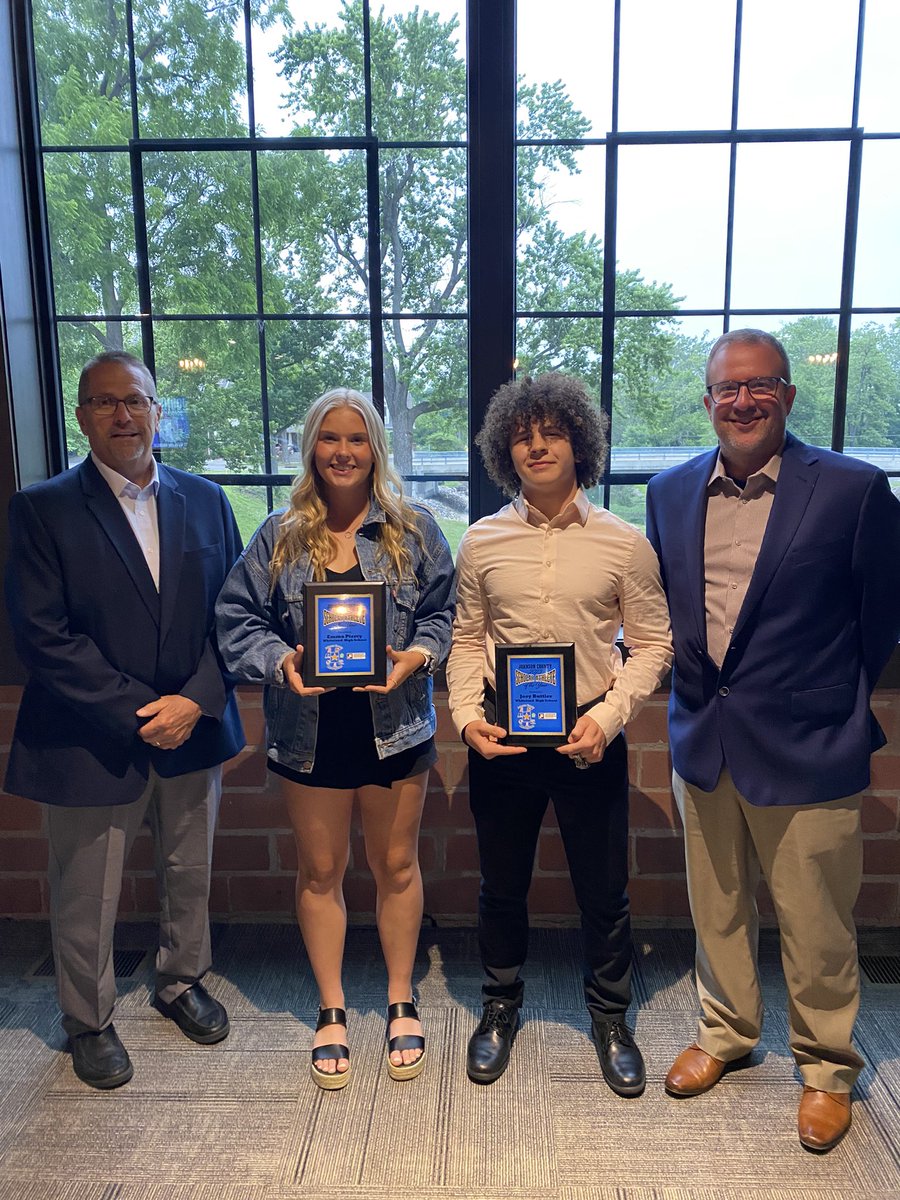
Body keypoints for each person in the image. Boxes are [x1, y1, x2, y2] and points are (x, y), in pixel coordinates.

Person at [646, 328, 900, 1151]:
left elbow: (882, 615)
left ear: (788, 396)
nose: (743, 400)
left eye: (761, 386)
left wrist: (831, 696)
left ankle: (827, 1067)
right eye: (727, 388)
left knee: (816, 920)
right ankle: (726, 1032)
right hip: (705, 738)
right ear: (708, 400)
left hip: (811, 740)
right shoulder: (669, 490)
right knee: (716, 906)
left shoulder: (855, 490)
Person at [5, 351, 244, 1089]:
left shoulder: (206, 501)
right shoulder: (40, 509)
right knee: (86, 888)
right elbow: (42, 635)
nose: (122, 415)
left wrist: (195, 701)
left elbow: (236, 617)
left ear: (156, 411)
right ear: (81, 415)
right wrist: (141, 713)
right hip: (89, 736)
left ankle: (181, 979)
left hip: (193, 726)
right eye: (104, 402)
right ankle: (90, 1019)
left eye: (135, 400)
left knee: (188, 869)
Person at [215, 387, 454, 1090]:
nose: (343, 452)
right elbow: (236, 622)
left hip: (395, 729)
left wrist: (416, 657)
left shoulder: (416, 531)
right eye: (329, 438)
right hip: (307, 734)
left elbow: (447, 614)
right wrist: (281, 662)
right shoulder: (278, 535)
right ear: (309, 448)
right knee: (320, 873)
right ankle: (331, 1007)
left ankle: (402, 997)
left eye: (357, 439)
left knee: (397, 869)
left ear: (375, 449)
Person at [446, 373, 672, 1094]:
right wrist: (465, 718)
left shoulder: (623, 543)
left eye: (552, 432)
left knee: (604, 892)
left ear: (581, 442)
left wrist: (607, 719)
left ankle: (610, 1017)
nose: (536, 445)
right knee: (500, 887)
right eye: (522, 434)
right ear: (502, 448)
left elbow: (654, 644)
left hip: (589, 740)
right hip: (503, 742)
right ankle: (499, 1006)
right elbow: (464, 639)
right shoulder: (481, 541)